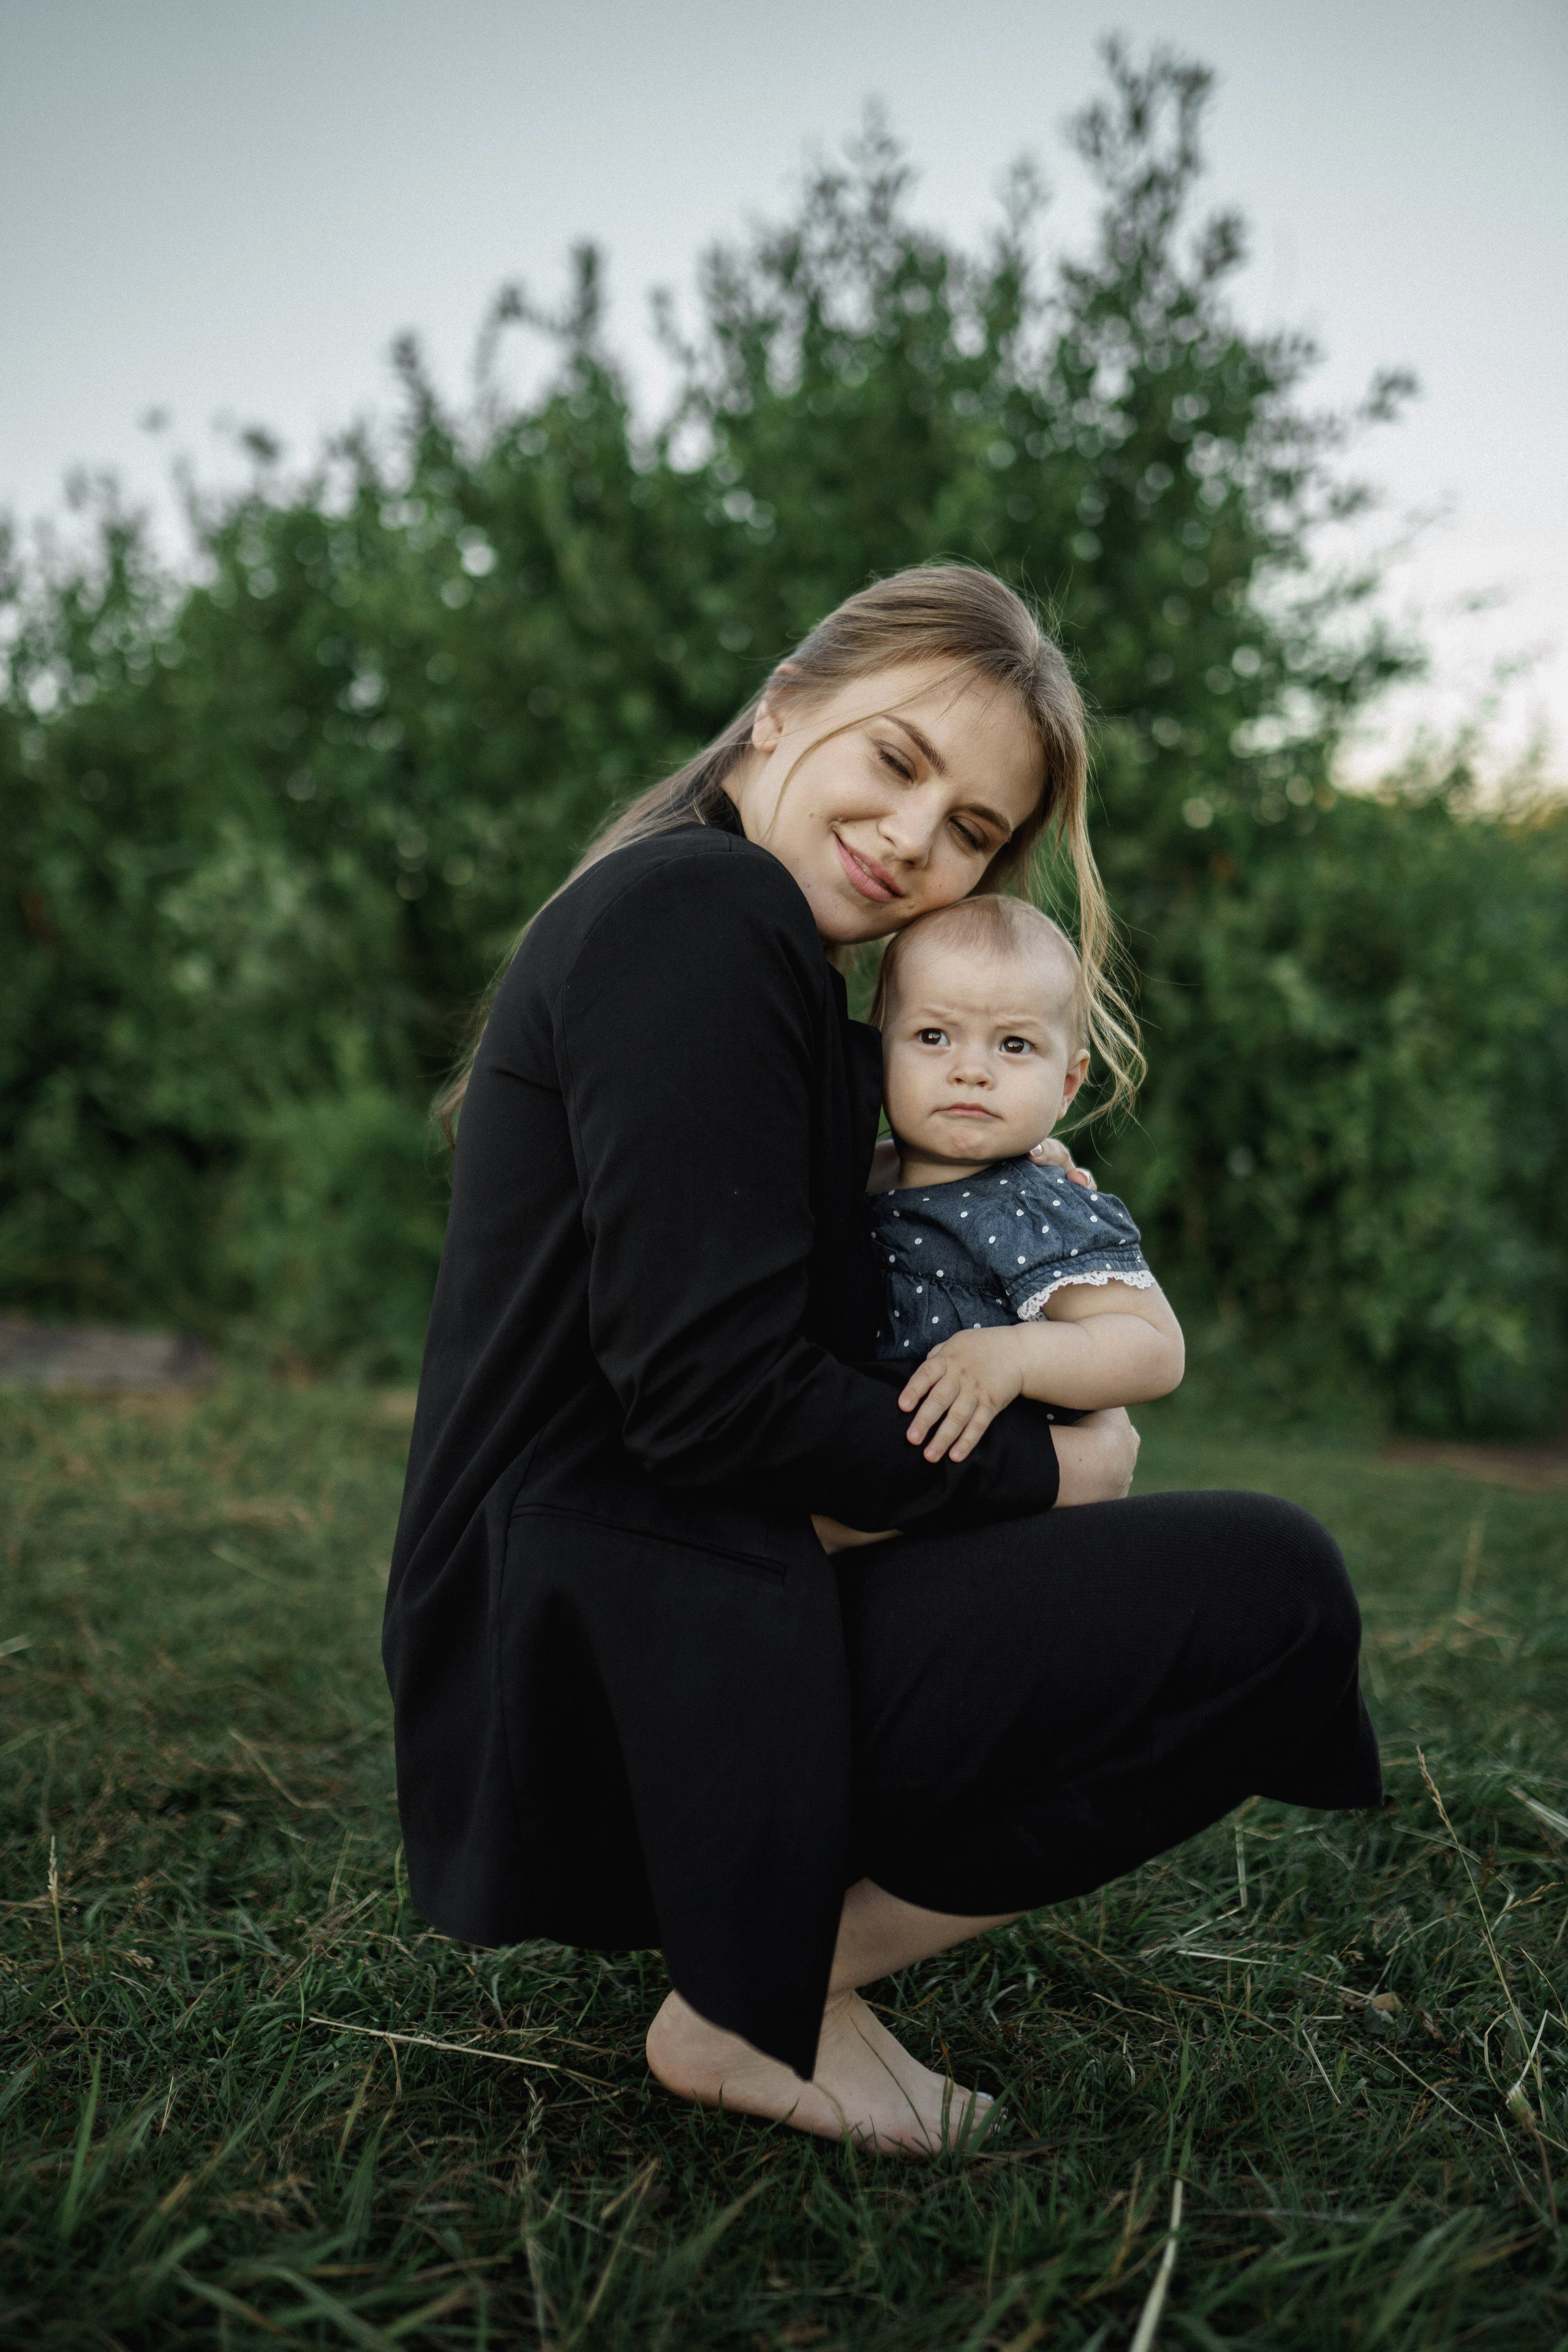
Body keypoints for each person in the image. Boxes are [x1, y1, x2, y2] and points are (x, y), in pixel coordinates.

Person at [384, 564, 1381, 2157]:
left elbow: (754, 1323)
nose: (921, 840)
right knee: (1272, 1594)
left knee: (1222, 1578)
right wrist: (1047, 1467)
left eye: (977, 829)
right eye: (899, 763)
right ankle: (755, 1991)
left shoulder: (733, 951)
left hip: (607, 1626)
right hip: (609, 1652)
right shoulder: (707, 915)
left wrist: (967, 1188)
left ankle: (763, 1962)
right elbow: (713, 1398)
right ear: (782, 708)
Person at [864, 895, 1185, 1469]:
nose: (972, 1071)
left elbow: (1154, 1347)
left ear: (1066, 1084)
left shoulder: (1034, 1206)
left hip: (1003, 1493)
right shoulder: (861, 1173)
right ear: (878, 1049)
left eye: (1014, 1045)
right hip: (878, 1467)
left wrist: (1015, 1358)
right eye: (934, 1035)